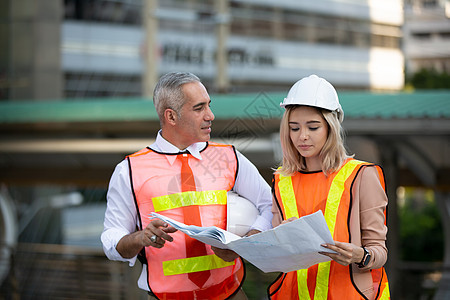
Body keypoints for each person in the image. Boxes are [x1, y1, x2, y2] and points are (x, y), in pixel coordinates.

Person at [101, 72, 272, 300]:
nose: (210, 115)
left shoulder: (230, 157)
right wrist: (140, 238)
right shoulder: (129, 170)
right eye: (199, 108)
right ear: (171, 117)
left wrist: (246, 242)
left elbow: (271, 204)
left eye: (209, 105)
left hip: (230, 294)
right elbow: (111, 238)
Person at [267, 75, 390, 299]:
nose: (302, 136)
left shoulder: (361, 175)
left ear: (330, 128)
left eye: (313, 127)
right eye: (294, 128)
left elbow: (379, 251)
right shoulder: (281, 179)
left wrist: (359, 255)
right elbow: (277, 257)